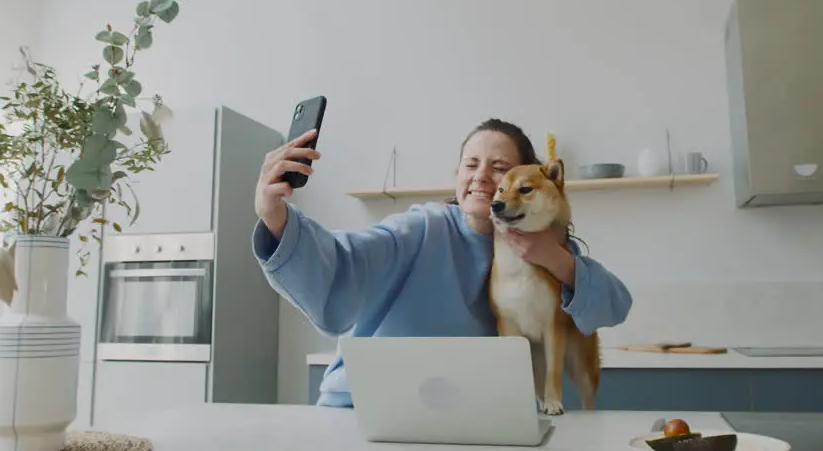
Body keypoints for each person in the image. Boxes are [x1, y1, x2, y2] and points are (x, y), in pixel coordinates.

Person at [251, 118, 634, 407]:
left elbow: (614, 305)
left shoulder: (545, 249)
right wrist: (276, 217)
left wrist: (556, 259)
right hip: (364, 411)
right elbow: (344, 263)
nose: (482, 177)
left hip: (466, 421)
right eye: (471, 164)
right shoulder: (423, 228)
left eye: (500, 168)